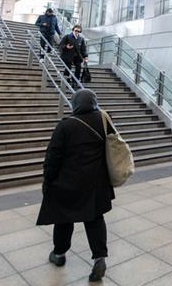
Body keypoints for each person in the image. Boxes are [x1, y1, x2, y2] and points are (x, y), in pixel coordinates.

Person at [37, 89, 113, 282]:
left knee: (63, 218)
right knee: (95, 219)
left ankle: (59, 254)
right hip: (96, 182)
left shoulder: (66, 126)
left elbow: (52, 157)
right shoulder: (103, 120)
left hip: (68, 183)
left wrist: (48, 180)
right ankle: (99, 258)